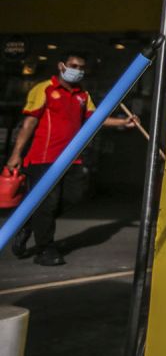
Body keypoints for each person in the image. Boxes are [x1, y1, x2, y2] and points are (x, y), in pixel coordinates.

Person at [5, 51, 139, 266]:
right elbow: (29, 123)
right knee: (47, 205)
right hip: (43, 158)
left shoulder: (82, 95)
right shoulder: (44, 89)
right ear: (61, 65)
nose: (77, 70)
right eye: (73, 65)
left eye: (80, 67)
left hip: (71, 159)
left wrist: (123, 122)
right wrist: (16, 154)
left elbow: (95, 118)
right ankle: (45, 249)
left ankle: (30, 222)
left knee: (75, 195)